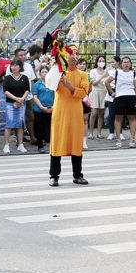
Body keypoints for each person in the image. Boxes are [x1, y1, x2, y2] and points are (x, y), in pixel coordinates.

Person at [48, 51, 90, 186]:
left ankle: (77, 175)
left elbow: (83, 93)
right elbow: (49, 85)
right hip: (60, 111)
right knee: (57, 141)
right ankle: (54, 176)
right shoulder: (58, 73)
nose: (73, 56)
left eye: (76, 54)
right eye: (70, 54)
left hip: (75, 112)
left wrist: (70, 86)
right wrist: (55, 70)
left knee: (76, 143)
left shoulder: (83, 75)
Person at [109, 57, 136, 147]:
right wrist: (112, 92)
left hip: (131, 96)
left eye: (128, 62)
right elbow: (107, 82)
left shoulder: (134, 73)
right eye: (124, 62)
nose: (126, 64)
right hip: (119, 97)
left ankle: (132, 138)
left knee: (132, 117)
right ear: (121, 64)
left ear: (130, 64)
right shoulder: (116, 72)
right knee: (118, 118)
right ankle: (118, 139)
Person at [1, 59, 31, 154]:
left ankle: (20, 144)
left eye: (16, 65)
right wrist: (16, 98)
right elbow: (6, 91)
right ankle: (6, 145)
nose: (14, 67)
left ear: (20, 67)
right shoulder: (8, 78)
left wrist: (22, 98)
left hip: (22, 103)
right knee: (9, 124)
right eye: (12, 65)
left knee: (20, 124)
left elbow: (27, 90)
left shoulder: (25, 77)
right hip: (10, 103)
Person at [32, 65, 55, 153]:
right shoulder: (37, 84)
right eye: (43, 72)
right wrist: (42, 107)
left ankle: (53, 146)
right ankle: (40, 145)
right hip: (39, 109)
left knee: (51, 127)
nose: (45, 74)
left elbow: (57, 96)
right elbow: (35, 97)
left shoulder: (53, 83)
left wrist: (53, 106)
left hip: (51, 108)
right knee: (39, 128)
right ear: (40, 73)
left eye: (46, 72)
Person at [87, 56, 110, 138]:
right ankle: (90, 133)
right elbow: (94, 83)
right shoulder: (93, 71)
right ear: (96, 62)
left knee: (101, 114)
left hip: (104, 93)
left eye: (103, 61)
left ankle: (99, 133)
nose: (101, 62)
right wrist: (102, 76)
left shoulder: (107, 72)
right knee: (93, 113)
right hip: (95, 93)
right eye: (99, 61)